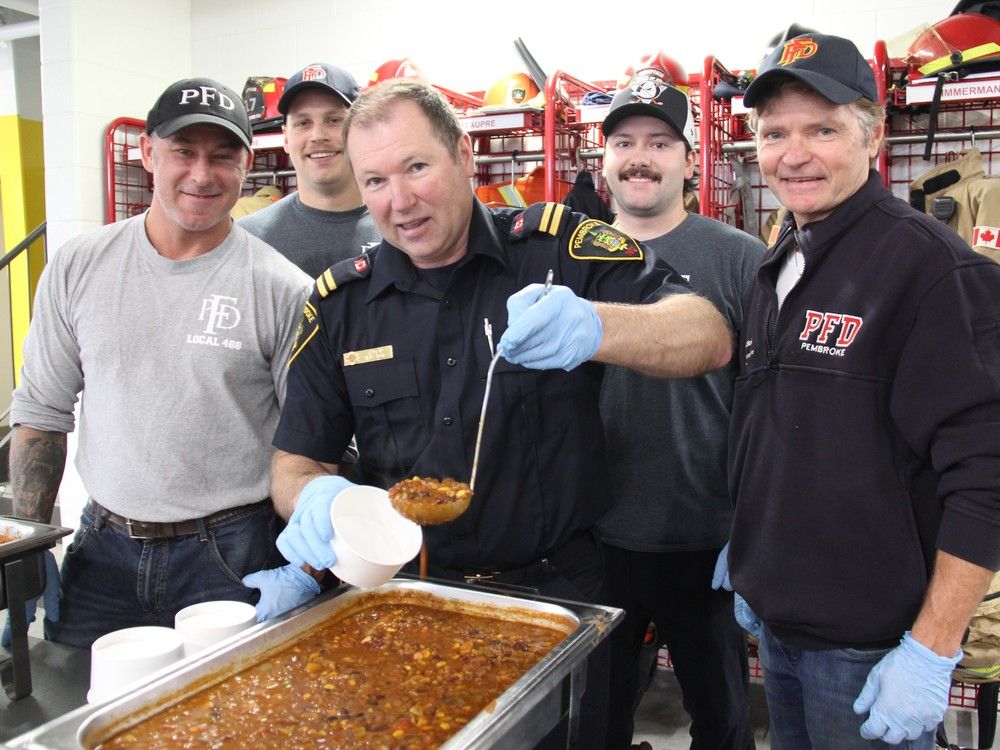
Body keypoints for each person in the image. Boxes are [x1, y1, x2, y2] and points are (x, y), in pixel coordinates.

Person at [265, 79, 733, 749]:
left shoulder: (555, 247)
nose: (400, 201)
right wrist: (315, 499)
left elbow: (706, 332)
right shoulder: (342, 302)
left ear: (463, 155)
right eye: (375, 180)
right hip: (415, 594)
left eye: (417, 167)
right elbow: (295, 462)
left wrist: (595, 325)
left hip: (561, 598)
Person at [714, 33, 1000, 748]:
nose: (794, 153)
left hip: (871, 649)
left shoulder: (931, 271)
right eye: (775, 132)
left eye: (822, 129)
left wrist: (932, 649)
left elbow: (987, 475)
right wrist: (752, 543)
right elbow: (773, 423)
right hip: (779, 628)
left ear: (871, 136)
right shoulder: (779, 258)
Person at [5, 78, 312, 649]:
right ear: (148, 152)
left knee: (230, 723)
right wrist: (27, 542)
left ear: (248, 164)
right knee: (81, 715)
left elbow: (305, 444)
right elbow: (42, 414)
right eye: (183, 152)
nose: (202, 174)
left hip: (230, 552)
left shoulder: (281, 288)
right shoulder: (79, 266)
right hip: (102, 551)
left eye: (223, 156)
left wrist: (308, 565)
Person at [597, 73, 764, 750]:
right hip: (594, 533)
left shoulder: (741, 259)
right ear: (603, 159)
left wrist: (754, 527)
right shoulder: (565, 252)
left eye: (660, 142)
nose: (641, 156)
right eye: (625, 141)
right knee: (596, 716)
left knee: (722, 719)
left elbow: (768, 408)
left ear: (690, 160)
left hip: (706, 535)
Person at [239, 63, 381, 278]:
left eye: (333, 120)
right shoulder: (248, 239)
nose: (317, 135)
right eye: (303, 123)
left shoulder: (398, 227)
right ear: (286, 138)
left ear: (360, 130)